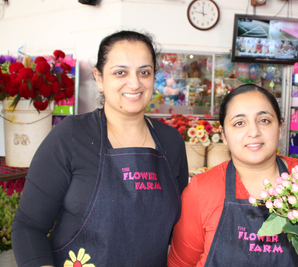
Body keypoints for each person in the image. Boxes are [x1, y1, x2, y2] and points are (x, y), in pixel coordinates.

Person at [12, 30, 189, 267]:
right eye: (120, 72)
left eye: (144, 72)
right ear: (99, 78)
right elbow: (28, 226)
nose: (135, 83)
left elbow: (176, 232)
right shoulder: (71, 136)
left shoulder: (171, 141)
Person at [167, 84, 298, 267]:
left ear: (280, 128)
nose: (254, 132)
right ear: (224, 135)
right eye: (239, 123)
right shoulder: (200, 191)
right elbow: (181, 264)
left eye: (264, 120)